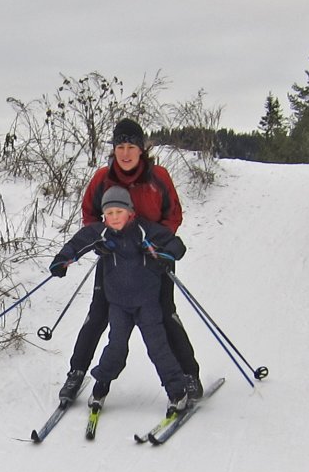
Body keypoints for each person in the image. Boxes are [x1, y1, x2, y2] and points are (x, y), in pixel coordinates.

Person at [56, 118, 199, 405]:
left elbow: (173, 214)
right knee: (97, 315)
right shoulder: (102, 178)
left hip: (154, 257)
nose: (125, 152)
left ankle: (188, 375)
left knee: (165, 317)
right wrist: (102, 242)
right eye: (120, 146)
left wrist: (158, 247)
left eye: (131, 146)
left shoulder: (158, 177)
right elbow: (89, 216)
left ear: (141, 149)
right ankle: (77, 372)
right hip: (114, 258)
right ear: (114, 149)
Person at [49, 186, 193, 410]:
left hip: (147, 303)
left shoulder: (145, 230)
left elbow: (177, 244)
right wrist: (62, 260)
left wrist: (166, 255)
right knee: (115, 348)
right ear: (104, 216)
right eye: (109, 213)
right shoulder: (102, 234)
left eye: (119, 212)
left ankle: (177, 392)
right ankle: (100, 388)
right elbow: (78, 243)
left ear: (130, 212)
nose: (114, 217)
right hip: (118, 304)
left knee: (158, 347)